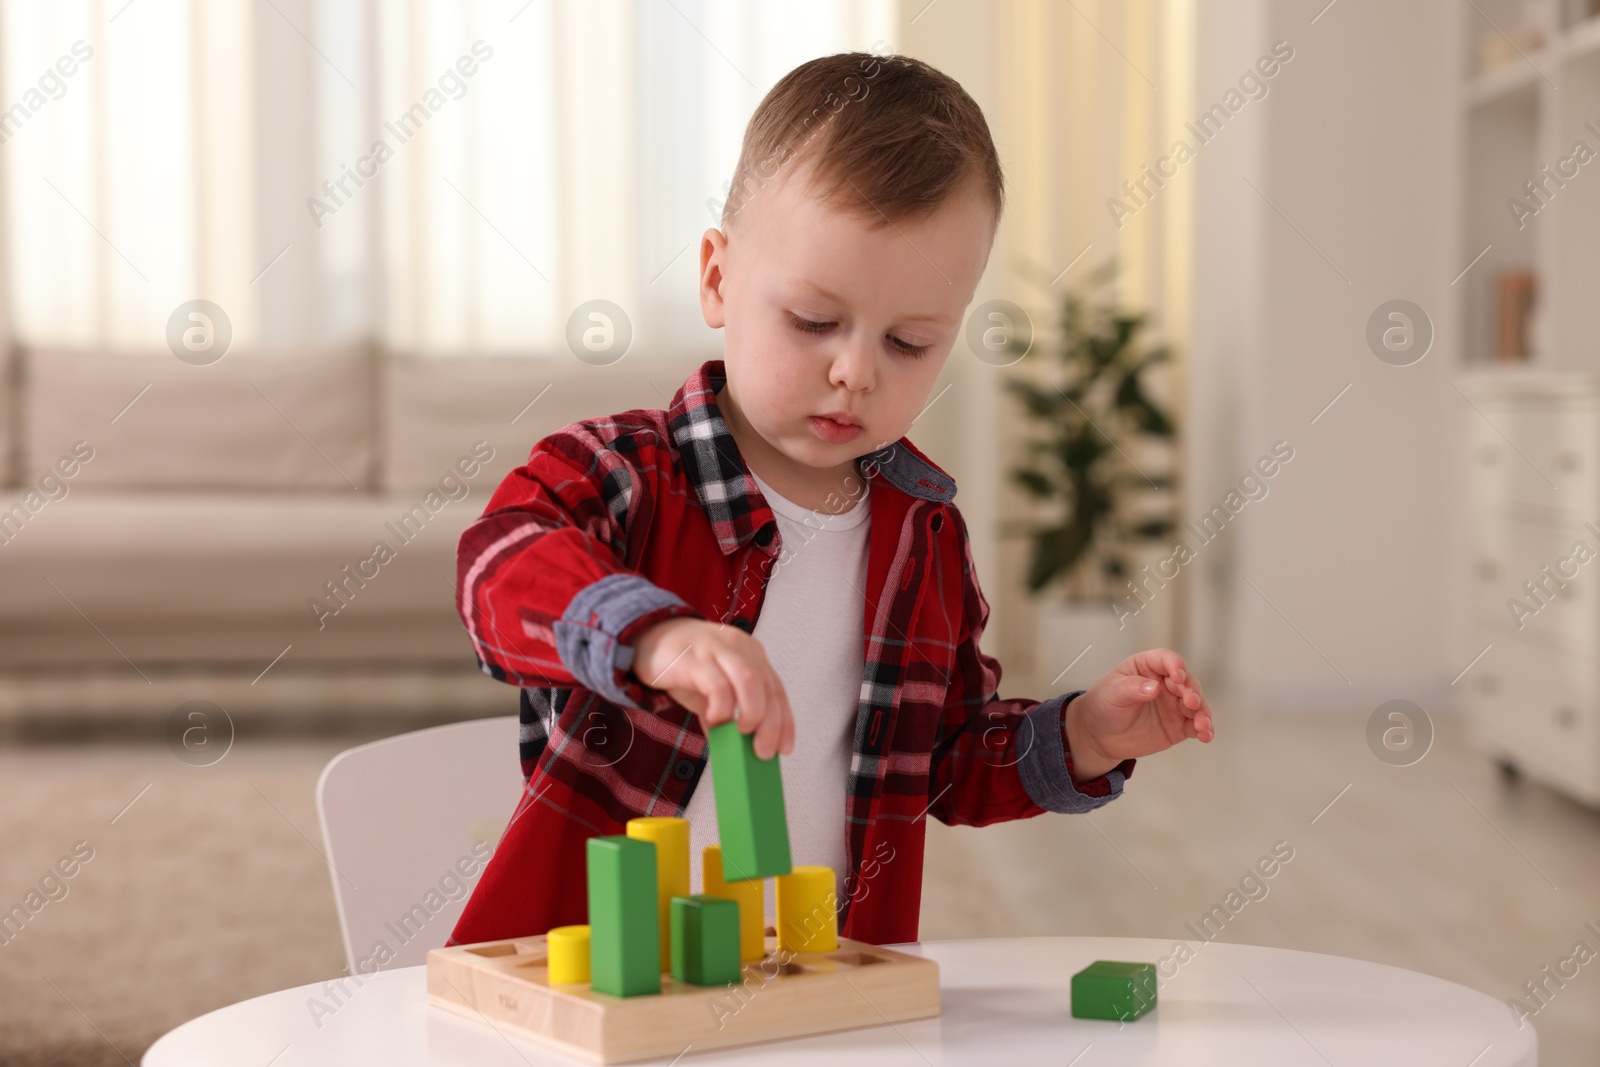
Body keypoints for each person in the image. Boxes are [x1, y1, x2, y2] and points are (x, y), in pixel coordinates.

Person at [447, 50, 1214, 949]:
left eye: (910, 340)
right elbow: (498, 564)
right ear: (718, 280)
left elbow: (943, 761)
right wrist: (653, 635)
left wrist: (1083, 732)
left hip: (817, 988)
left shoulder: (923, 536)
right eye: (813, 323)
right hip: (603, 985)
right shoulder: (624, 472)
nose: (855, 371)